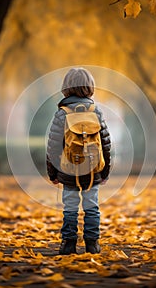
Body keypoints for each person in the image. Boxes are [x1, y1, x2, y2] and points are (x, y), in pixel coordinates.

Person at [46, 67, 111, 255]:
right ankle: (92, 244)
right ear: (90, 87)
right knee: (92, 207)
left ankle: (68, 244)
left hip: (68, 170)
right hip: (93, 171)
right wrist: (104, 172)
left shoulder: (62, 113)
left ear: (66, 88)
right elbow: (105, 144)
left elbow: (53, 147)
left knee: (70, 207)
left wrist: (53, 174)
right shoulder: (96, 112)